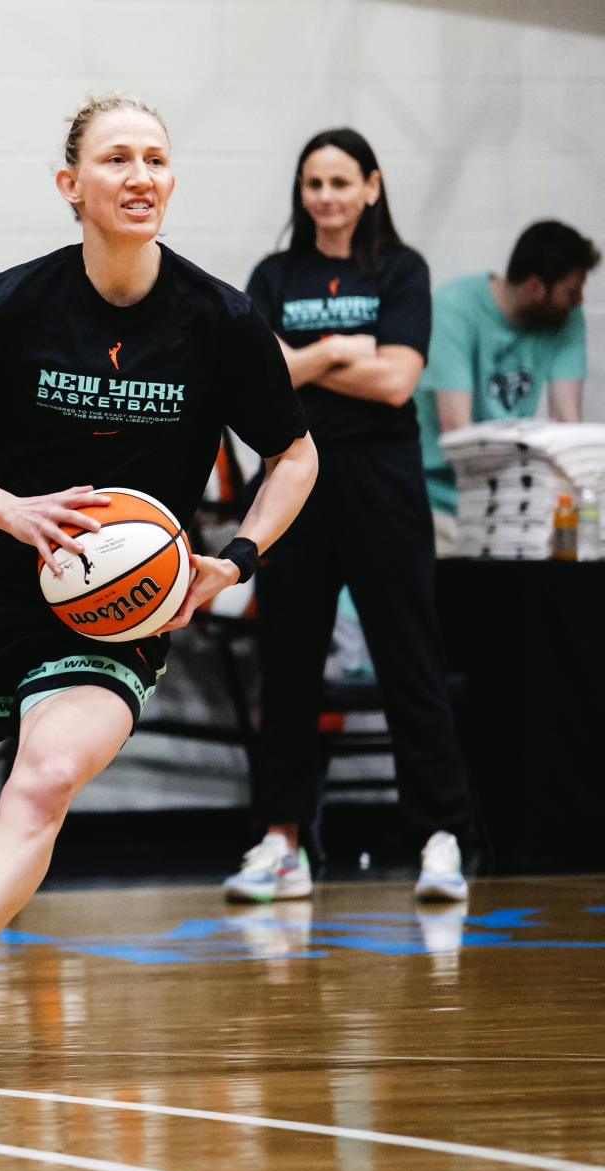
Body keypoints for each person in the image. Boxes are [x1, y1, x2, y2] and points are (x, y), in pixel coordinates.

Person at [0, 93, 317, 1081]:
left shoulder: (221, 320)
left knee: (44, 781)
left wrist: (239, 557)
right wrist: (9, 508)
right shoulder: (14, 302)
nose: (141, 174)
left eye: (156, 158)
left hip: (112, 613)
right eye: (117, 158)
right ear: (72, 186)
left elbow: (296, 455)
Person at [222, 128, 472, 906]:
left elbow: (398, 381)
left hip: (384, 483)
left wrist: (306, 359)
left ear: (371, 186)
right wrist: (340, 346)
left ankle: (440, 839)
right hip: (296, 480)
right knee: (290, 662)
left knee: (411, 659)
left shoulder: (402, 269)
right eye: (312, 184)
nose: (325, 197)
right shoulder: (274, 273)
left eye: (339, 182)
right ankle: (281, 842)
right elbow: (259, 381)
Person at [416, 220, 600, 550]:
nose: (579, 300)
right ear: (534, 287)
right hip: (440, 496)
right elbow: (458, 433)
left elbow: (568, 421)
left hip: (518, 496)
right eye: (571, 291)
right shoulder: (452, 309)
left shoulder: (565, 316)